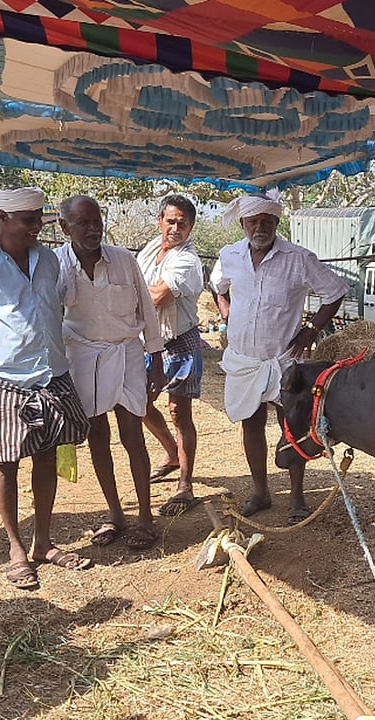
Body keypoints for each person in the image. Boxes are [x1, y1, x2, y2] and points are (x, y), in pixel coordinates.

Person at [0, 188, 91, 590]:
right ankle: (16, 549)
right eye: (29, 219)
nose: (37, 226)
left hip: (51, 373)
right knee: (6, 461)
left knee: (47, 456)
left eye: (39, 218)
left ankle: (43, 542)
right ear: (4, 219)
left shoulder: (47, 259)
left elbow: (56, 306)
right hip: (6, 378)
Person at [209, 191, 347, 524]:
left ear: (277, 222)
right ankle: (260, 492)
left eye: (267, 221)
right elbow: (217, 285)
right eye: (254, 221)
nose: (260, 228)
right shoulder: (229, 256)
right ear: (243, 223)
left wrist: (312, 329)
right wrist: (227, 312)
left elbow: (335, 291)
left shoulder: (299, 258)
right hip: (245, 359)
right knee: (251, 425)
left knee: (293, 428)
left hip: (286, 360)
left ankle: (297, 498)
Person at [55, 195, 164, 549]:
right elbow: (50, 316)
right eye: (83, 223)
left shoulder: (124, 260)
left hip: (127, 353)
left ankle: (146, 517)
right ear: (64, 227)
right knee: (97, 435)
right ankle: (115, 514)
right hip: (81, 357)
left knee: (132, 434)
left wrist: (156, 358)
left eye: (96, 220)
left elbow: (147, 309)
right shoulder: (55, 265)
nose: (92, 229)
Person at [134, 195, 205, 517]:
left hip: (180, 342)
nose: (176, 228)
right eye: (171, 221)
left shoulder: (187, 261)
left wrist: (126, 294)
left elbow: (159, 297)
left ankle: (185, 485)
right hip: (147, 341)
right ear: (160, 220)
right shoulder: (149, 251)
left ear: (190, 227)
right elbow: (142, 292)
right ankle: (172, 454)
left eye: (183, 223)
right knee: (142, 406)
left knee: (179, 412)